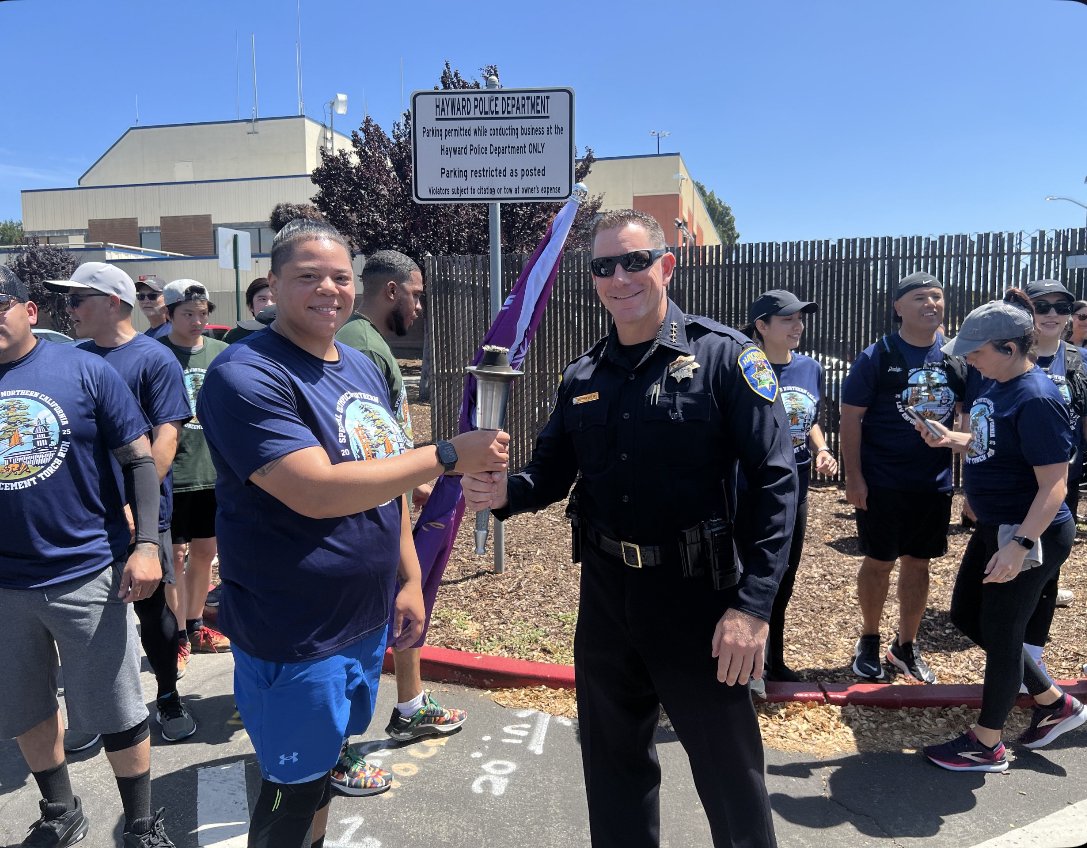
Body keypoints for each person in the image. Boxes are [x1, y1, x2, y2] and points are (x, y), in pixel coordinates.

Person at [462, 209, 796, 848]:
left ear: (665, 265)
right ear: (593, 281)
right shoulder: (583, 375)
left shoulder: (724, 358)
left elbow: (777, 484)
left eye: (635, 261)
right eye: (604, 266)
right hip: (608, 600)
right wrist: (503, 492)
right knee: (612, 768)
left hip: (701, 601)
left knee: (729, 775)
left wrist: (753, 609)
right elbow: (550, 475)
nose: (620, 277)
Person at [197, 217, 509, 847]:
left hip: (362, 619)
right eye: (307, 276)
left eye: (339, 276)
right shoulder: (246, 374)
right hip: (294, 629)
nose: (328, 290)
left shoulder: (362, 368)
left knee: (319, 779)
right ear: (275, 285)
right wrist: (447, 454)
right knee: (289, 799)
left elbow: (383, 483)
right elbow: (314, 491)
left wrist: (410, 578)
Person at [0, 265, 176, 846]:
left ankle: (142, 822)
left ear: (29, 311)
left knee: (117, 705)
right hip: (5, 585)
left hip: (84, 570)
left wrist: (147, 545)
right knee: (24, 705)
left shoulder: (84, 370)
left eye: (0, 303)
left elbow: (140, 461)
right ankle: (59, 807)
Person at [919, 291, 1085, 772]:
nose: (969, 359)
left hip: (1028, 532)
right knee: (968, 615)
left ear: (1010, 348)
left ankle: (986, 743)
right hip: (998, 527)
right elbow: (995, 438)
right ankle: (1055, 703)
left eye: (977, 350)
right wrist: (954, 439)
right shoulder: (997, 384)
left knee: (1003, 629)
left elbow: (1055, 483)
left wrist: (1020, 545)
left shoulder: (1037, 397)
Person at [44, 263, 197, 750]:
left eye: (77, 299)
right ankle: (91, 711)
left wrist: (138, 509)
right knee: (80, 619)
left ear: (114, 301)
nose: (68, 310)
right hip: (85, 516)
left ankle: (168, 695)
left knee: (151, 612)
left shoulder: (155, 360)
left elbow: (166, 438)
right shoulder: (68, 359)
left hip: (141, 516)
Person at [332, 250, 465, 796]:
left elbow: (380, 437)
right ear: (391, 291)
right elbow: (355, 444)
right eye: (416, 293)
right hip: (363, 519)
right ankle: (332, 751)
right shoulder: (361, 345)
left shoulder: (371, 343)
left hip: (389, 505)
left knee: (405, 608)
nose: (419, 305)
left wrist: (411, 482)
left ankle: (409, 705)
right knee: (357, 630)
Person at [840, 271, 965, 683]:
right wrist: (854, 478)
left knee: (920, 564)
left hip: (932, 484)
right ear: (898, 308)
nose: (931, 304)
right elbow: (850, 419)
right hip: (882, 483)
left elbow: (969, 416)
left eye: (937, 296)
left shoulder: (953, 359)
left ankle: (906, 646)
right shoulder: (877, 355)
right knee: (878, 562)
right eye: (919, 298)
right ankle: (869, 641)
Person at [742, 289, 838, 684]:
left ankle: (772, 660)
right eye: (787, 319)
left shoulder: (809, 368)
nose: (798, 326)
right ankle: (741, 662)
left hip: (795, 487)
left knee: (784, 573)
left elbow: (808, 417)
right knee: (749, 571)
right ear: (762, 326)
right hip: (750, 487)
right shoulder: (744, 368)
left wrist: (822, 448)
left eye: (800, 318)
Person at [159, 280, 230, 659]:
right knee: (175, 557)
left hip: (213, 473)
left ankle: (196, 625)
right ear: (169, 314)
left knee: (204, 552)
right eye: (188, 314)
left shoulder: (222, 353)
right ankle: (177, 637)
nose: (197, 321)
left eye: (202, 314)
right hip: (173, 475)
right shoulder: (155, 353)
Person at [1017, 281, 1086, 663]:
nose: (1052, 315)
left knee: (1047, 571)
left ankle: (1032, 652)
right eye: (1041, 306)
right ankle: (1005, 648)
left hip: (1061, 484)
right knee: (1006, 563)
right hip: (1012, 483)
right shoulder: (1008, 355)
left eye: (1062, 307)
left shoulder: (1079, 362)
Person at [222, 278, 275, 344]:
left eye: (275, 298)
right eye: (262, 299)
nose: (269, 304)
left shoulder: (290, 334)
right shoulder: (233, 337)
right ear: (250, 306)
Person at [136, 275, 171, 339]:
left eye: (152, 296)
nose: (146, 301)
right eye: (141, 296)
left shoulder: (174, 334)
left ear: (166, 298)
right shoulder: (146, 335)